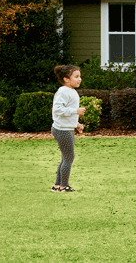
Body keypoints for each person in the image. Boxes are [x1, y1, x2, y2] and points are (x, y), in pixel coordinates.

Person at [50, 65, 86, 193]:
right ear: (66, 79)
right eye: (76, 77)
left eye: (80, 76)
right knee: (69, 158)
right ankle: (63, 186)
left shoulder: (70, 91)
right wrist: (76, 111)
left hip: (66, 128)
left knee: (65, 158)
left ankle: (57, 185)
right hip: (62, 130)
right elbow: (58, 110)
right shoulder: (63, 91)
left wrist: (76, 124)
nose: (79, 79)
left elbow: (66, 113)